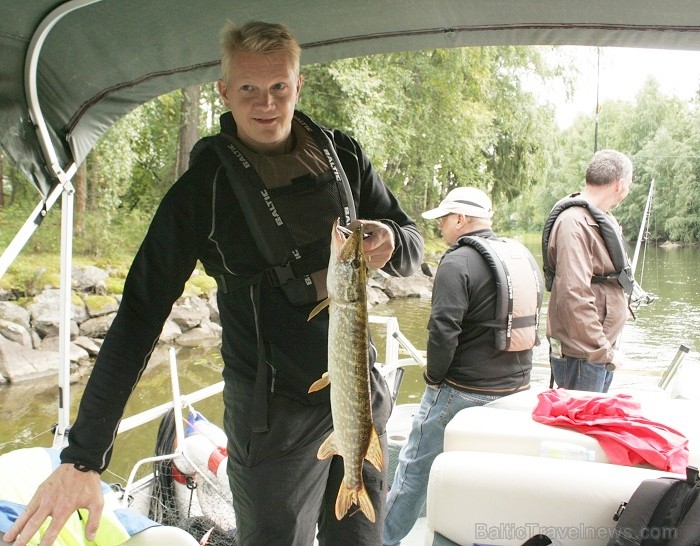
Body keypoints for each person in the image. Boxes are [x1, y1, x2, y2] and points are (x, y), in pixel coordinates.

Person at [4, 20, 423, 546]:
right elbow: (139, 314)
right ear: (224, 91)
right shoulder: (202, 190)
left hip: (359, 402)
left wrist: (389, 238)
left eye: (278, 88)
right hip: (271, 426)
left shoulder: (344, 156)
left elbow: (411, 245)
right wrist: (84, 457)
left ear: (298, 86)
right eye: (248, 88)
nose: (265, 103)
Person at [383, 187, 541, 546]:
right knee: (486, 479)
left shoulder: (456, 262)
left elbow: (443, 331)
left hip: (463, 391)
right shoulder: (520, 256)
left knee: (413, 472)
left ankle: (380, 540)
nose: (440, 227)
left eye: (443, 219)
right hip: (515, 392)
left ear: (460, 219)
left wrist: (434, 379)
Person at [542, 148, 633, 393]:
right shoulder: (573, 222)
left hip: (598, 349)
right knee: (580, 426)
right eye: (629, 184)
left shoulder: (602, 217)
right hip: (584, 355)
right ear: (620, 184)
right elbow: (574, 294)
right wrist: (604, 352)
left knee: (594, 422)